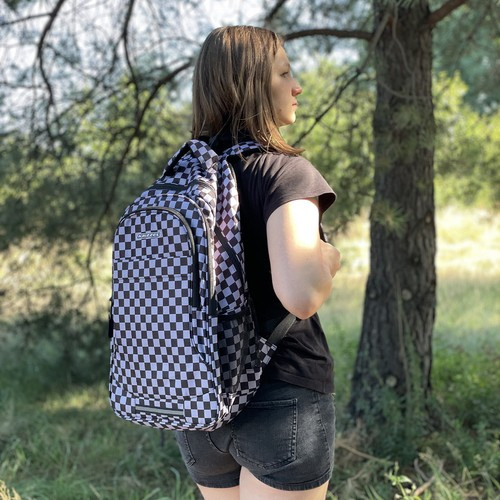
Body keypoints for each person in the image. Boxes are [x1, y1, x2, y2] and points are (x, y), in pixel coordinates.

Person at [175, 25, 341, 500]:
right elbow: (301, 295)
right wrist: (329, 257)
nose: (297, 86)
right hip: (280, 396)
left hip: (198, 399)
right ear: (249, 84)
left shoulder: (185, 178)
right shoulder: (284, 172)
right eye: (284, 73)